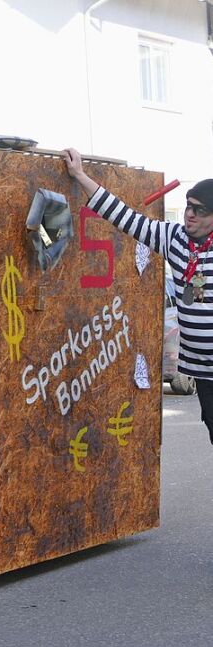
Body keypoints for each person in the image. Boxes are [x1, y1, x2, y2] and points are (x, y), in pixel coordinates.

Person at [64, 149, 213, 442]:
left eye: (200, 210)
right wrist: (80, 175)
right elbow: (126, 218)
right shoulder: (175, 238)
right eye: (188, 207)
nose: (190, 214)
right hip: (201, 368)